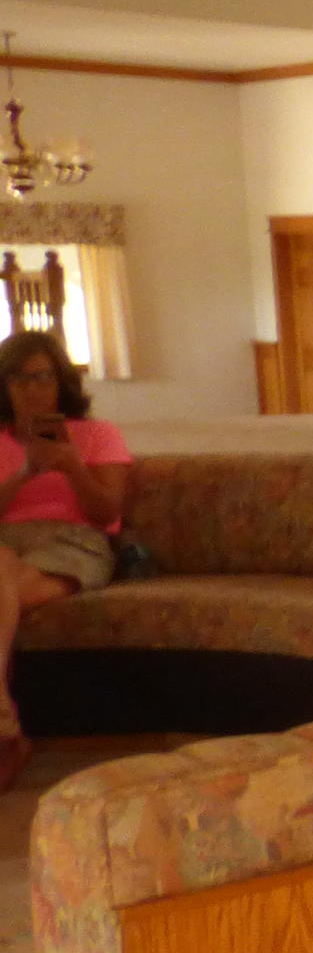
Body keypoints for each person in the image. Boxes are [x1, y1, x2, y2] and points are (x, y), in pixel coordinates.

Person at [0, 328, 131, 784]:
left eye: (42, 377)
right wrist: (23, 473)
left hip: (73, 543)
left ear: (61, 382)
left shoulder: (97, 434)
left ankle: (7, 735)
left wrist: (70, 464)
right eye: (18, 379)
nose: (32, 389)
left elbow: (107, 513)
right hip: (7, 542)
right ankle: (6, 733)